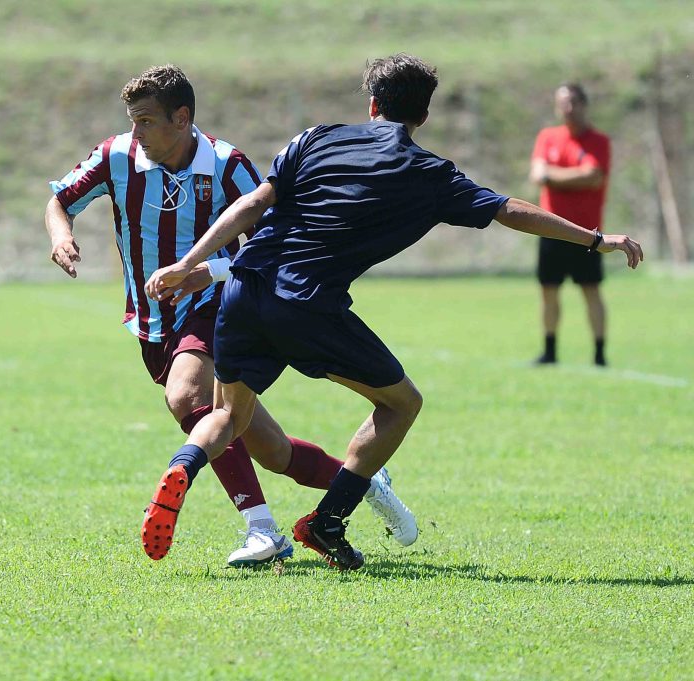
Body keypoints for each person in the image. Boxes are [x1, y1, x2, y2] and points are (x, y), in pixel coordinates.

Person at [143, 54, 643, 571]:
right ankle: (327, 521)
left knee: (228, 416)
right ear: (423, 116)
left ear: (372, 104)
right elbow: (511, 210)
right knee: (401, 404)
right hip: (307, 302)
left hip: (242, 289)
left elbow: (252, 205)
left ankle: (183, 465)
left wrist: (188, 263)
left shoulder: (316, 138)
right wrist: (596, 239)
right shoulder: (429, 174)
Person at [45, 64, 418, 567]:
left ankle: (261, 529)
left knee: (187, 396)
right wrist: (61, 235)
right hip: (152, 321)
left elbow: (272, 241)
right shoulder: (116, 156)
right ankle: (364, 484)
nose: (136, 132)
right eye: (132, 120)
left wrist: (209, 271)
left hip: (217, 308)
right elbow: (60, 200)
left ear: (181, 118)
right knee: (273, 451)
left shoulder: (226, 165)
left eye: (146, 121)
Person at [530, 83, 613, 366]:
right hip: (550, 228)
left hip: (587, 231)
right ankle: (549, 351)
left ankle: (599, 354)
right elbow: (538, 175)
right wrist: (575, 176)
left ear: (584, 105)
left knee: (591, 290)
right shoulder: (548, 137)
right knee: (548, 291)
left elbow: (594, 177)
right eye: (562, 102)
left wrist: (553, 176)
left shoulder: (598, 141)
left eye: (573, 102)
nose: (567, 108)